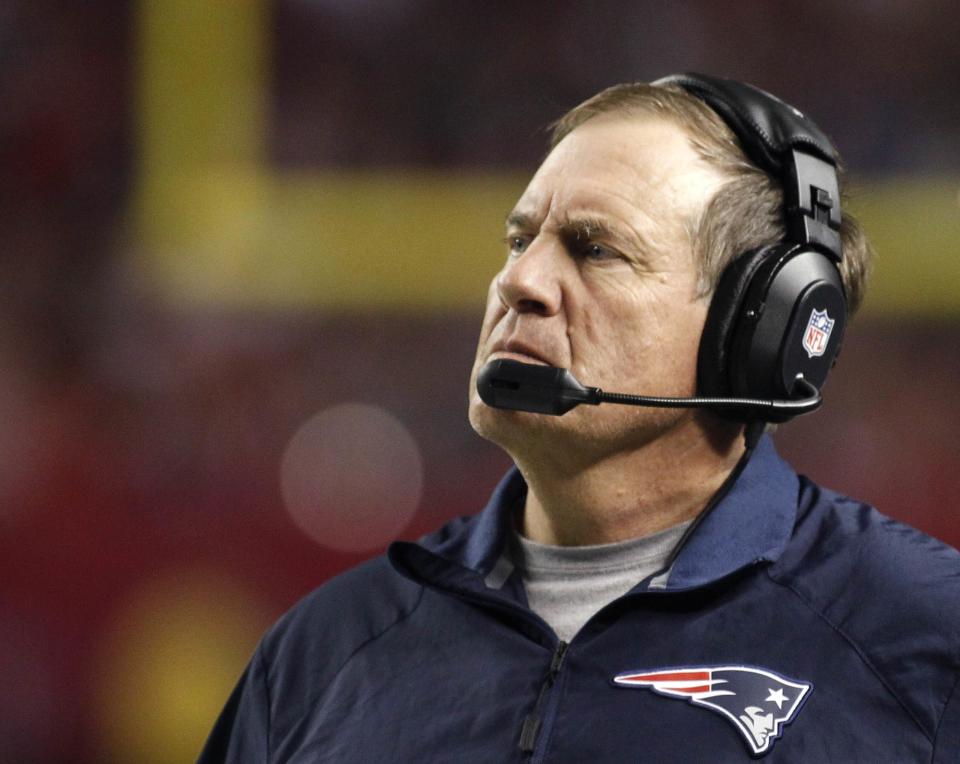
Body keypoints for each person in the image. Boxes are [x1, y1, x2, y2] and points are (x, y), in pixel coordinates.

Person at [199, 75, 960, 761]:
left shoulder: (923, 640)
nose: (519, 282)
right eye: (520, 239)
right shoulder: (322, 654)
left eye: (595, 250)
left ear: (761, 332)